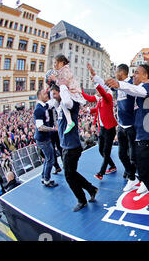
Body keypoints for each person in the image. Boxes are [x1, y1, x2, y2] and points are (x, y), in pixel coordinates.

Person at [106, 64, 149, 212]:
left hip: (147, 138)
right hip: (144, 137)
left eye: (136, 73)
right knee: (143, 171)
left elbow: (135, 89)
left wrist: (119, 84)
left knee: (143, 173)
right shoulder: (141, 89)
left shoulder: (146, 87)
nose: (133, 75)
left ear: (145, 76)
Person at [51, 84, 98, 212]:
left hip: (72, 146)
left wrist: (63, 86)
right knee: (72, 173)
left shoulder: (71, 104)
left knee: (68, 175)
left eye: (55, 93)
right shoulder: (60, 106)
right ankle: (91, 189)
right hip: (65, 145)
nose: (54, 96)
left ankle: (81, 200)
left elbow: (67, 100)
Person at [83, 64, 118, 181]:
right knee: (100, 150)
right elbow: (89, 100)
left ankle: (101, 173)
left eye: (98, 91)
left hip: (110, 128)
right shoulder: (100, 99)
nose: (96, 93)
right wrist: (80, 91)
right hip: (102, 129)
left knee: (106, 151)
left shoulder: (108, 96)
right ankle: (112, 166)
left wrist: (96, 83)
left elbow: (102, 91)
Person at [48, 55, 87, 134]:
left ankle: (69, 121)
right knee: (62, 103)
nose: (54, 64)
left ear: (62, 63)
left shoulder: (65, 70)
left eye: (56, 62)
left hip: (72, 92)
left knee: (64, 99)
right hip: (68, 93)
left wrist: (55, 79)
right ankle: (69, 122)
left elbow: (64, 83)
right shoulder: (59, 71)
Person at [33, 89, 58, 188]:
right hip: (43, 140)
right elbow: (40, 127)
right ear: (39, 96)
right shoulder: (38, 109)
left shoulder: (44, 106)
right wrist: (53, 129)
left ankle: (44, 177)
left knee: (48, 159)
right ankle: (47, 180)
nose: (46, 94)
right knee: (50, 160)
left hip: (44, 139)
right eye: (44, 94)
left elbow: (52, 103)